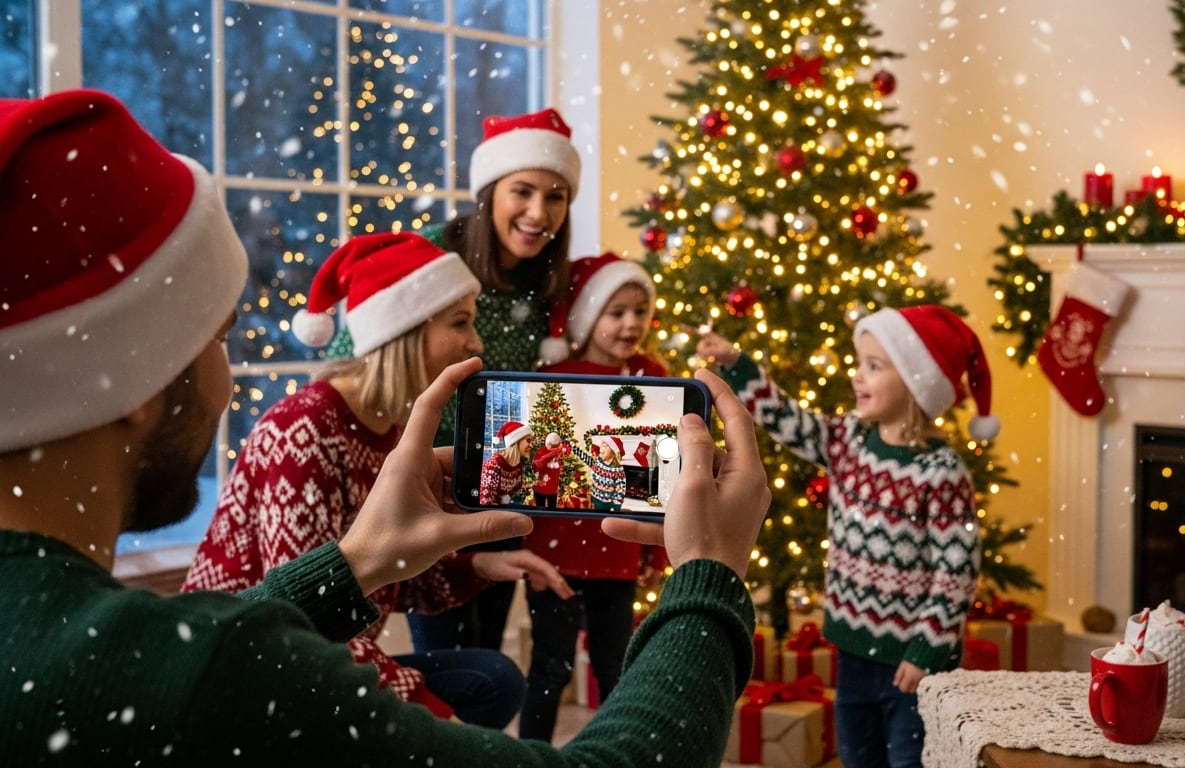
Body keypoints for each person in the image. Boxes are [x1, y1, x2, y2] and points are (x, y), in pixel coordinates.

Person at [0, 88, 770, 765]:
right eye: (218, 337)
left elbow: (198, 653)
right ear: (135, 373)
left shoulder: (91, 649)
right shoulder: (212, 673)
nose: (230, 376)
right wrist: (709, 575)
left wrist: (354, 562)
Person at [180, 231, 570, 726]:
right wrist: (432, 721)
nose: (477, 342)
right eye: (460, 323)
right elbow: (307, 624)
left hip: (315, 654)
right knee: (458, 707)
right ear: (402, 335)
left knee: (492, 679)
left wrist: (479, 568)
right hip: (251, 674)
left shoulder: (392, 433)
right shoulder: (303, 430)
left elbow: (388, 570)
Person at [696, 304, 998, 768]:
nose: (858, 377)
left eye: (874, 367)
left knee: (910, 760)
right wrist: (736, 364)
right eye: (862, 363)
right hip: (853, 651)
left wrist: (925, 650)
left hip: (914, 662)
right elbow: (786, 418)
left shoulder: (941, 472)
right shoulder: (849, 441)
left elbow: (954, 575)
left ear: (918, 383)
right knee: (858, 757)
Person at [404, 106, 583, 655]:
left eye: (555, 197)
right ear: (490, 193)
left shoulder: (549, 280)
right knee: (446, 665)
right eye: (523, 191)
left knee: (486, 658)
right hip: (429, 487)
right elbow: (355, 358)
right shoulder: (432, 255)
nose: (538, 212)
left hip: (503, 482)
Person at [517, 252, 670, 740]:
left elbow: (664, 474)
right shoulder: (556, 378)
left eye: (639, 312)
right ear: (588, 317)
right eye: (616, 312)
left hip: (618, 549)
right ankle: (533, 755)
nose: (631, 324)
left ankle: (614, 750)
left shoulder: (654, 378)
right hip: (554, 552)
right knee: (550, 667)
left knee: (615, 665)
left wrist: (658, 545)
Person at [480, 420, 535, 506]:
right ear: (515, 442)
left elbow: (516, 489)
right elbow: (485, 502)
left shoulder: (518, 467)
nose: (532, 445)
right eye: (528, 440)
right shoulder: (493, 466)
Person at [531, 431, 571, 508]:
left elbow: (567, 451)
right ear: (548, 444)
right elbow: (535, 468)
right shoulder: (541, 451)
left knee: (552, 510)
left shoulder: (559, 450)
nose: (554, 448)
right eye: (553, 446)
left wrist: (560, 451)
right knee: (540, 510)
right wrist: (553, 453)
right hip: (540, 488)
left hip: (553, 489)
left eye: (556, 446)